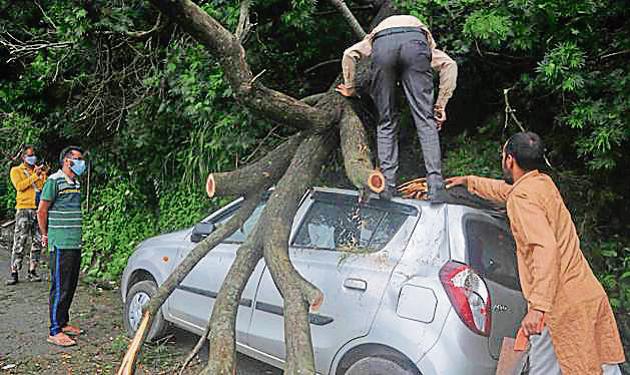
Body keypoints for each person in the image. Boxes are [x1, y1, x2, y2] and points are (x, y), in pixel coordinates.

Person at [446, 132, 625, 374]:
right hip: (587, 295)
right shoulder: (542, 185)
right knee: (603, 365)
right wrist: (470, 181)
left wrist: (538, 307)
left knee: (545, 368)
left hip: (559, 306)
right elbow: (507, 191)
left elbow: (545, 248)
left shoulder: (523, 199)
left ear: (510, 160)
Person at [336, 15, 458, 202]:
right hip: (415, 43)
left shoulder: (374, 36)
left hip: (382, 44)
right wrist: (440, 106)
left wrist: (351, 88)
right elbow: (450, 65)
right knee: (426, 121)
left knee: (385, 121)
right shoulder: (426, 43)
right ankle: (435, 187)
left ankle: (387, 186)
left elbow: (349, 54)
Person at [38, 146, 86, 347]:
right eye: (78, 159)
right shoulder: (53, 181)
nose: (82, 162)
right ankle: (54, 330)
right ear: (67, 161)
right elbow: (42, 210)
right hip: (60, 243)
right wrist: (45, 234)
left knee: (70, 285)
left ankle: (63, 322)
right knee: (60, 287)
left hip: (74, 242)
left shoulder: (75, 182)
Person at [6, 145, 47, 285]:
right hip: (23, 209)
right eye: (29, 155)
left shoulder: (38, 171)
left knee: (37, 241)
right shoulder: (16, 170)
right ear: (23, 157)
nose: (32, 157)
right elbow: (20, 186)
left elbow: (43, 187)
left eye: (33, 154)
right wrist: (35, 176)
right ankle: (14, 272)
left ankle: (32, 271)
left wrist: (42, 175)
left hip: (38, 209)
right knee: (20, 241)